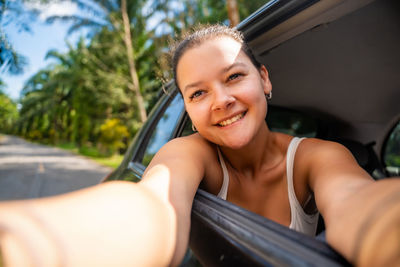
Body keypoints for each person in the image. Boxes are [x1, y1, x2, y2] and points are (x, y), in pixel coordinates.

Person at [0, 25, 399, 267]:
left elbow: (356, 202)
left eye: (234, 76)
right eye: (198, 93)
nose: (220, 100)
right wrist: (25, 245)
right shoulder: (188, 154)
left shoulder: (317, 156)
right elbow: (153, 207)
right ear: (189, 111)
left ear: (264, 79)